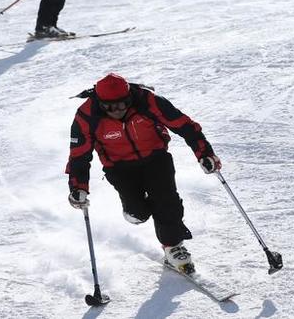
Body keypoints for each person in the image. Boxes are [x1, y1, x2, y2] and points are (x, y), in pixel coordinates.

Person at [65, 73, 222, 274]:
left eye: (122, 105)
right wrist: (78, 187)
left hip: (156, 158)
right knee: (138, 212)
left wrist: (205, 154)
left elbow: (185, 126)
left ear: (129, 97)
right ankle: (136, 211)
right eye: (109, 107)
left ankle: (172, 246)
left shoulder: (148, 101)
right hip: (119, 167)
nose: (116, 112)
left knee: (166, 201)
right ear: (100, 102)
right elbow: (79, 155)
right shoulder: (87, 116)